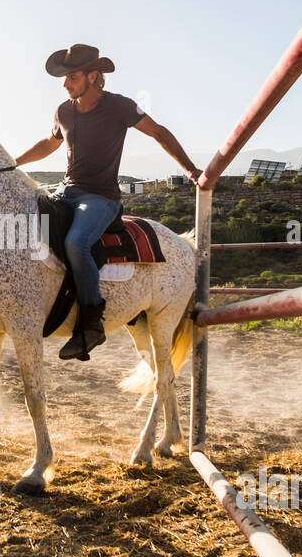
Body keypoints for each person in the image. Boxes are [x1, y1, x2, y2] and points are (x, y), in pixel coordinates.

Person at [15, 44, 203, 360]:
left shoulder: (120, 107)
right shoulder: (64, 110)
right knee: (24, 222)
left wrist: (191, 169)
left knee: (77, 243)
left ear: (93, 76)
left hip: (101, 199)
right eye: (64, 78)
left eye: (71, 77)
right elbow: (50, 142)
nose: (65, 84)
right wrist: (13, 162)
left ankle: (91, 323)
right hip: (66, 192)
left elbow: (157, 132)